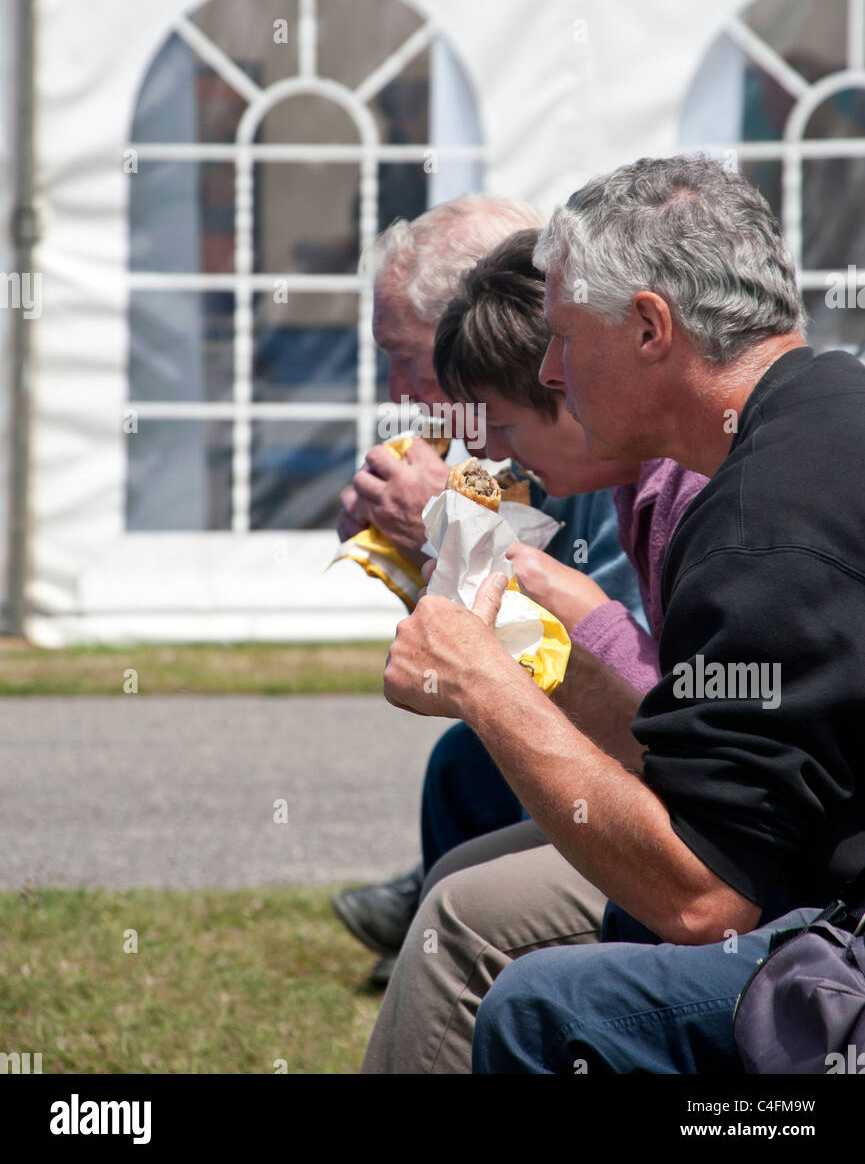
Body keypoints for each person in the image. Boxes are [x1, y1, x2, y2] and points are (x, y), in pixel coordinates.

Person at [376, 154, 865, 1075]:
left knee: (540, 1006)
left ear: (649, 327)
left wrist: (485, 683)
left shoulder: (761, 523)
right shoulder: (826, 413)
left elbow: (702, 900)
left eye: (563, 335)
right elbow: (707, 761)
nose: (549, 369)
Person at [360, 229, 705, 1072]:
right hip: (696, 807)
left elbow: (660, 721)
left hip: (731, 853)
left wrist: (484, 580)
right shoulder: (626, 478)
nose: (483, 446)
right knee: (463, 795)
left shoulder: (687, 486)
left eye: (497, 418)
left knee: (464, 913)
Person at [331, 200, 645, 980]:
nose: (401, 390)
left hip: (671, 789)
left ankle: (456, 939)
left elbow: (596, 676)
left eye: (414, 359)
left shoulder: (603, 453)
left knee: (469, 785)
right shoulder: (537, 435)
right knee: (463, 763)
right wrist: (409, 555)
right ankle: (436, 938)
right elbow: (482, 647)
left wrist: (442, 527)